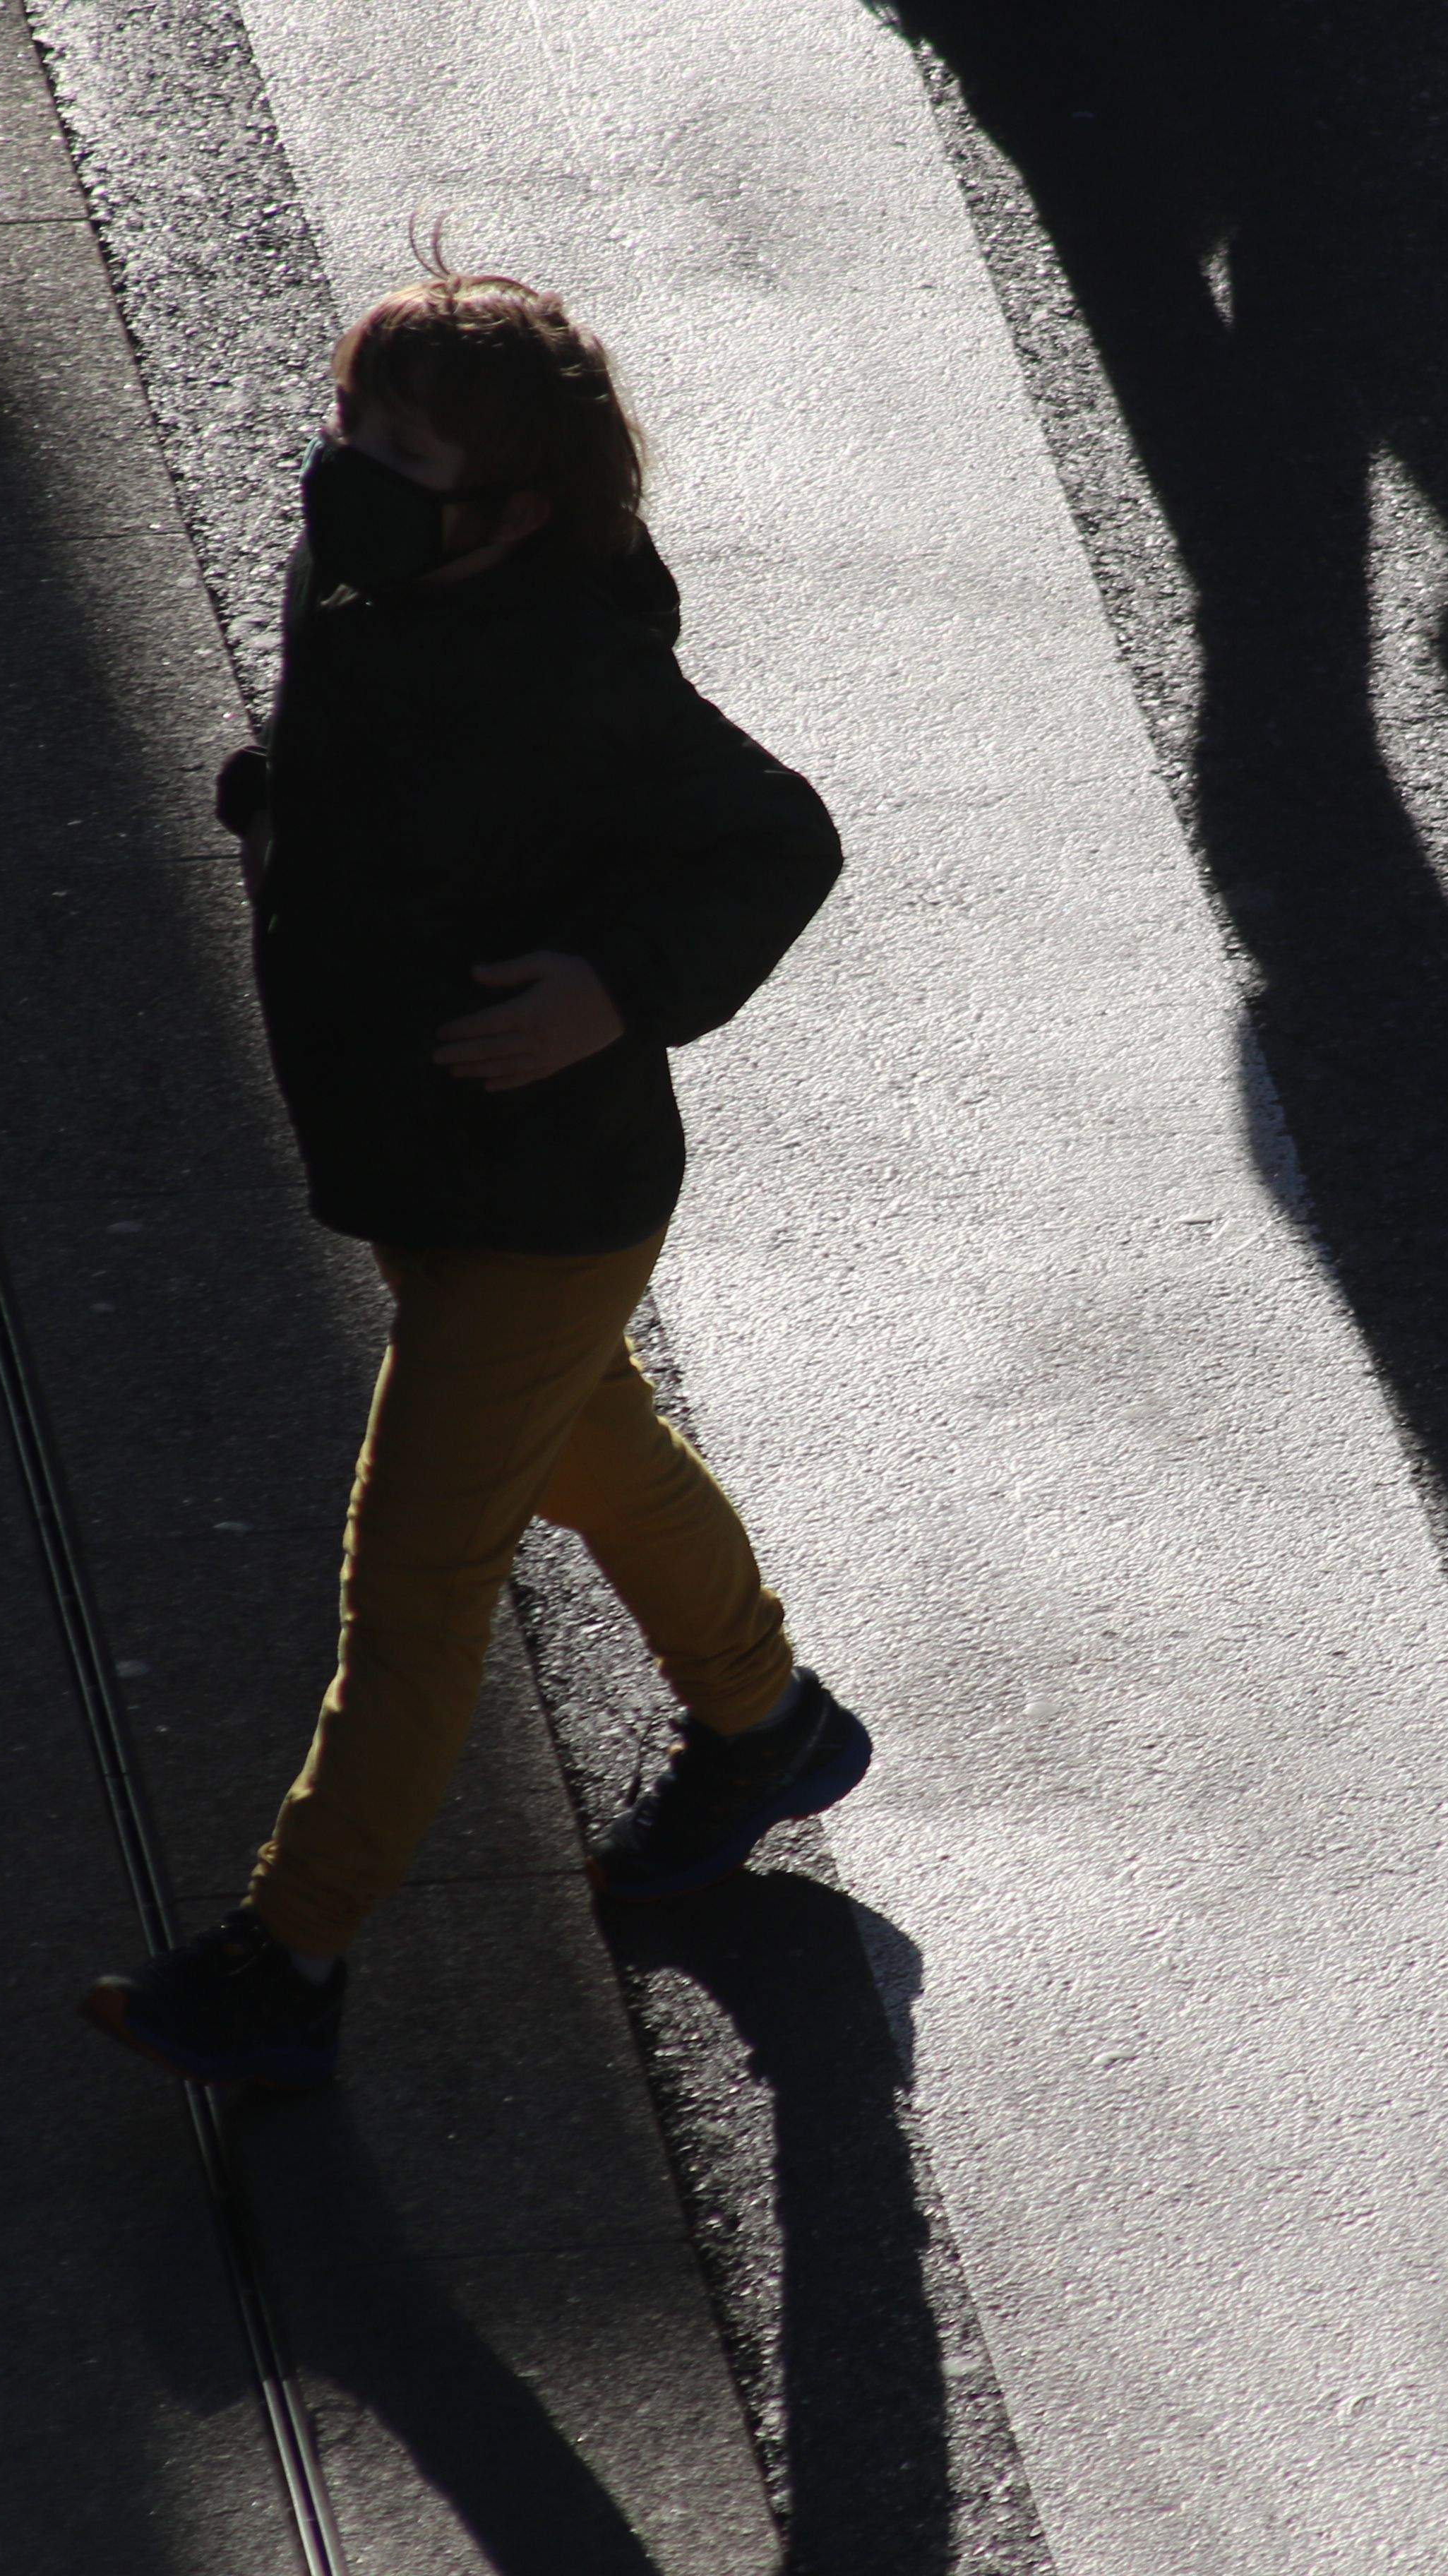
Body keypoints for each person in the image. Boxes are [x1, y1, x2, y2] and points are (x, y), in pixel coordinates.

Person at [84, 272, 861, 2091]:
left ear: (510, 506)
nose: (346, 461)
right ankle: (769, 1727)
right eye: (354, 420)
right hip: (423, 1162)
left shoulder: (572, 669)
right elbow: (370, 746)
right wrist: (285, 805)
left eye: (401, 448)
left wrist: (611, 989)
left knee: (420, 1574)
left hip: (541, 1196)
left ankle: (289, 1959)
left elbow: (780, 838)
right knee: (591, 1447)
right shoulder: (365, 570)